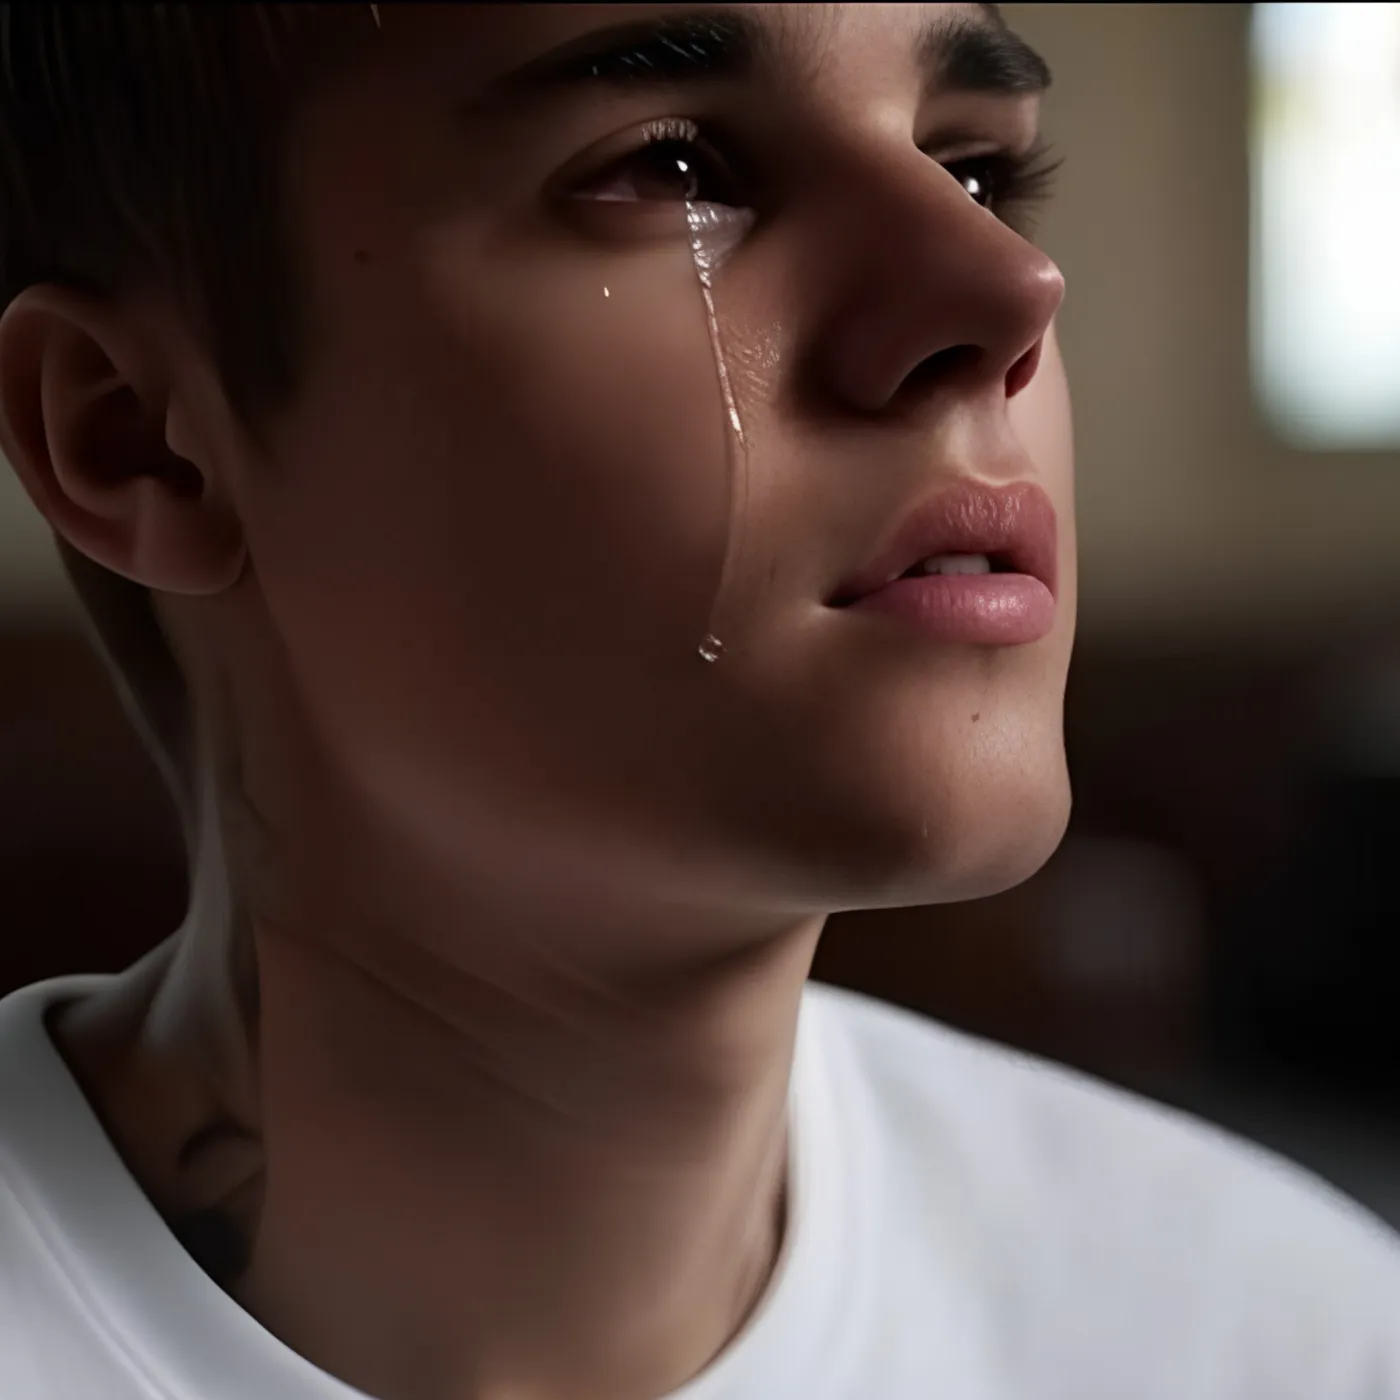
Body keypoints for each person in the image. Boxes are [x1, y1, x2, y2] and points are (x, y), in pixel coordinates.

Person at [0, 4, 1395, 1398]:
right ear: (136, 441)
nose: (1008, 288)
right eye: (673, 169)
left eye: (974, 168)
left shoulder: (1284, 1342)